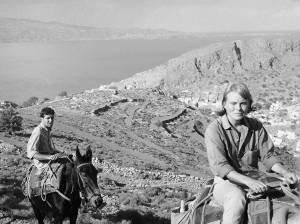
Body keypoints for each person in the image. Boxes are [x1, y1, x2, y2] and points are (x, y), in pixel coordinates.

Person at [205, 82, 298, 224]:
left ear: (248, 105)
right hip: (226, 182)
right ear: (224, 104)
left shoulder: (256, 126)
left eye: (243, 103)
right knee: (236, 199)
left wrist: (285, 172)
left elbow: (268, 156)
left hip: (255, 177)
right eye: (233, 103)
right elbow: (221, 167)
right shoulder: (214, 130)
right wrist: (250, 182)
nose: (238, 108)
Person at [27, 107, 66, 174]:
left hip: (50, 160)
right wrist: (50, 157)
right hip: (42, 164)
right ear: (42, 119)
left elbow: (50, 150)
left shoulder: (47, 131)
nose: (50, 120)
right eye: (48, 118)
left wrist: (62, 153)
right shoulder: (38, 131)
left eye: (52, 118)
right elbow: (31, 153)